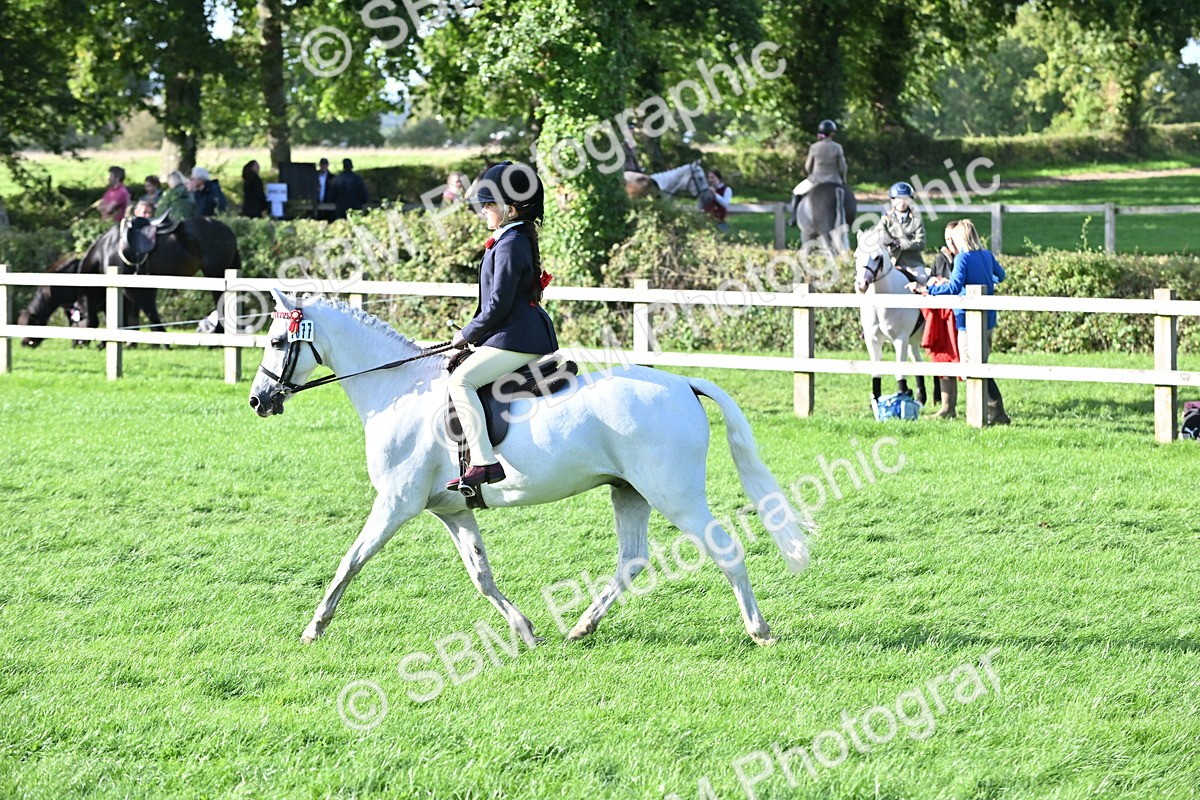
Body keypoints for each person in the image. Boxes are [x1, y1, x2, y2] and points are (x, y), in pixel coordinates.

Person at [446, 160, 558, 491]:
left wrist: (467, 334)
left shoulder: (511, 244)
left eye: (489, 204)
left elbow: (498, 305)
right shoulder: (512, 238)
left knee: (461, 381)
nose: (483, 211)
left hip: (518, 337)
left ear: (510, 208)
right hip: (512, 333)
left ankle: (484, 462)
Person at [906, 219, 1010, 425]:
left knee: (970, 367)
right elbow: (1001, 276)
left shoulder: (962, 258)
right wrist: (985, 282)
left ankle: (993, 412)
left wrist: (927, 290)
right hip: (988, 318)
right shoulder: (987, 255)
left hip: (967, 320)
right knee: (980, 365)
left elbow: (953, 289)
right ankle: (993, 412)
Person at [921, 221, 962, 418]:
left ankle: (978, 407)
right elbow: (931, 276)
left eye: (952, 238)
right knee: (943, 357)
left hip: (959, 314)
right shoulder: (940, 259)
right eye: (946, 239)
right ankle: (947, 407)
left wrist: (949, 283)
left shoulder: (965, 258)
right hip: (942, 315)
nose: (949, 243)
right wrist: (933, 282)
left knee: (964, 359)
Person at [877, 182, 926, 273]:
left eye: (905, 199)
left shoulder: (916, 220)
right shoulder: (886, 219)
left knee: (922, 279)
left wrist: (900, 244)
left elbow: (921, 243)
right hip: (890, 263)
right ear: (892, 200)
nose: (902, 202)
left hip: (912, 263)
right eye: (898, 198)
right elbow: (878, 236)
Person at [792, 119, 847, 201]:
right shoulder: (837, 147)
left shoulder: (814, 147)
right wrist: (843, 180)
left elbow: (808, 167)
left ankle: (794, 213)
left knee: (796, 192)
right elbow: (843, 168)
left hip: (816, 180)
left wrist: (812, 174)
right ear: (832, 133)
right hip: (834, 180)